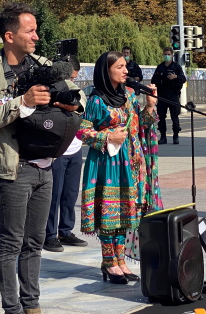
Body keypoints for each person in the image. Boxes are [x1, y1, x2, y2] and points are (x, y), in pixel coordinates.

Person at [0, 2, 85, 314]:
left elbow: (79, 97)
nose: (37, 36)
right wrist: (22, 101)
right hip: (13, 168)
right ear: (10, 36)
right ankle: (12, 309)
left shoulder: (43, 63)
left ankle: (32, 306)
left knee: (34, 243)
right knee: (11, 242)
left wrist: (71, 103)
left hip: (45, 167)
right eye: (30, 30)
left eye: (36, 30)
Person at [77, 51, 163, 284]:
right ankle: (109, 262)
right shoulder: (96, 100)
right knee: (109, 212)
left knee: (125, 212)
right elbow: (82, 131)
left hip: (131, 161)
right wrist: (107, 137)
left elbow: (141, 125)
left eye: (125, 66)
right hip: (107, 162)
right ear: (106, 71)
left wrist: (150, 106)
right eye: (120, 67)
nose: (125, 71)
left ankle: (121, 260)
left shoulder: (129, 95)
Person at [43, 55, 88, 252]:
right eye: (68, 78)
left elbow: (80, 108)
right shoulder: (48, 89)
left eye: (73, 78)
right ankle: (49, 235)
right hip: (56, 151)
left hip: (75, 149)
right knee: (54, 194)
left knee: (70, 194)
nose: (70, 82)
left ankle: (66, 230)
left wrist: (65, 104)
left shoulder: (75, 90)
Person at [151, 47, 186, 144]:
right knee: (161, 117)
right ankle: (163, 136)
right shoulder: (160, 67)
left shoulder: (176, 67)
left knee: (174, 116)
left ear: (172, 55)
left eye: (168, 54)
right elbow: (153, 80)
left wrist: (175, 77)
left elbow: (183, 79)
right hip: (162, 95)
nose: (167, 56)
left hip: (173, 95)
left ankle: (176, 136)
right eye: (165, 54)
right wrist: (161, 80)